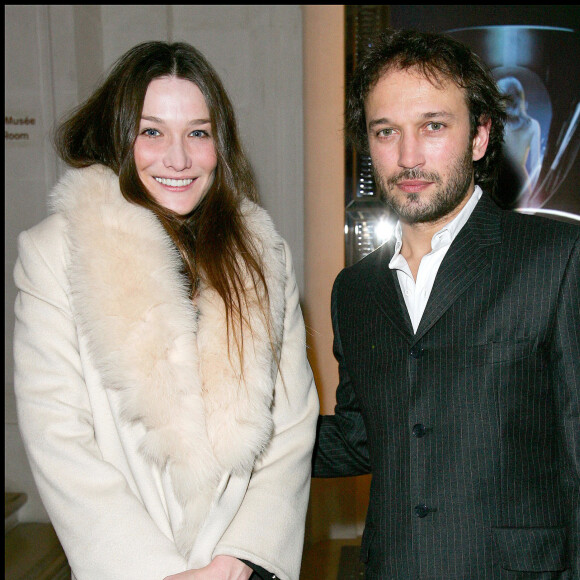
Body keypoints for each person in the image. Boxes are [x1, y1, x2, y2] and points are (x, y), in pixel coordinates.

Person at [13, 41, 319, 580]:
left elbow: (291, 423)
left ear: (219, 145)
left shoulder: (262, 254)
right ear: (118, 135)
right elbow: (59, 438)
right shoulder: (56, 252)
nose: (177, 158)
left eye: (197, 133)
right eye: (151, 131)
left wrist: (237, 558)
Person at [312, 28, 579, 579]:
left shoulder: (556, 258)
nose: (408, 156)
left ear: (480, 136)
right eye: (386, 132)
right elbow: (362, 436)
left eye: (433, 126)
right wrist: (232, 435)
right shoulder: (355, 291)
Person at [496, 76, 542, 208]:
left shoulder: (497, 125)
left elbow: (535, 166)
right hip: (519, 184)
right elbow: (535, 167)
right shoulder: (533, 126)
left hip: (501, 184)